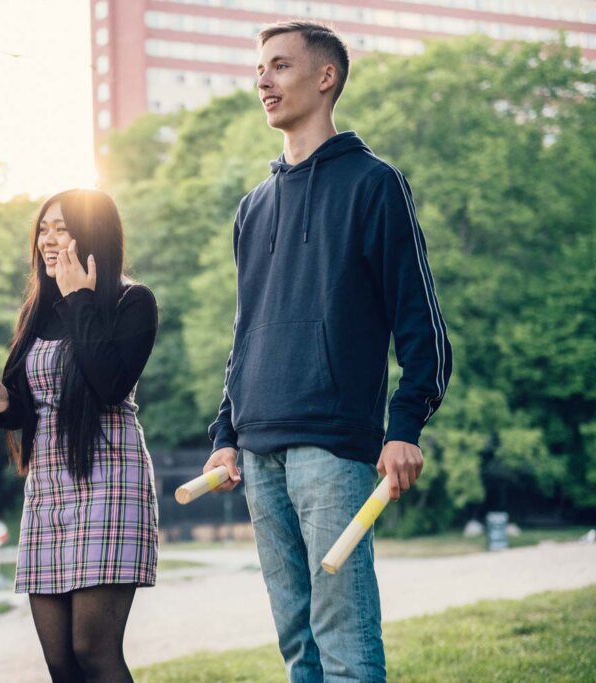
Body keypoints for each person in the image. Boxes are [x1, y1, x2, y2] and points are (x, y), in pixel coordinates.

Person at [203, 21, 453, 682]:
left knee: (344, 640)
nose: (263, 80)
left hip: (333, 450)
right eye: (259, 68)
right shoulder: (252, 206)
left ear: (326, 77)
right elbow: (245, 333)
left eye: (280, 66)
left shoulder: (375, 184)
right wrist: (226, 433)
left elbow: (420, 321)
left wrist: (405, 428)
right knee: (297, 647)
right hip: (257, 452)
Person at [0, 189, 159, 681]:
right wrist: (1, 403)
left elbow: (109, 384)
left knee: (93, 649)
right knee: (60, 660)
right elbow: (26, 402)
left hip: (110, 478)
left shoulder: (132, 302)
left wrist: (79, 297)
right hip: (48, 485)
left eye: (63, 228)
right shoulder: (38, 311)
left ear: (91, 235)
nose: (49, 240)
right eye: (44, 229)